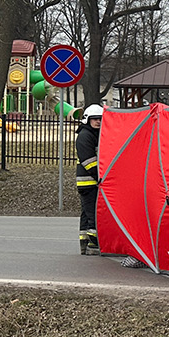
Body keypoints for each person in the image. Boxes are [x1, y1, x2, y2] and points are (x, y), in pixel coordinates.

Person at [76, 104, 104, 255]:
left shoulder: (93, 134)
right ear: (87, 119)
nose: (98, 122)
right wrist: (100, 178)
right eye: (94, 119)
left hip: (88, 182)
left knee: (86, 215)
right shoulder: (85, 136)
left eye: (100, 119)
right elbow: (89, 162)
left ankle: (84, 244)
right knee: (93, 214)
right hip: (89, 182)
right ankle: (94, 245)